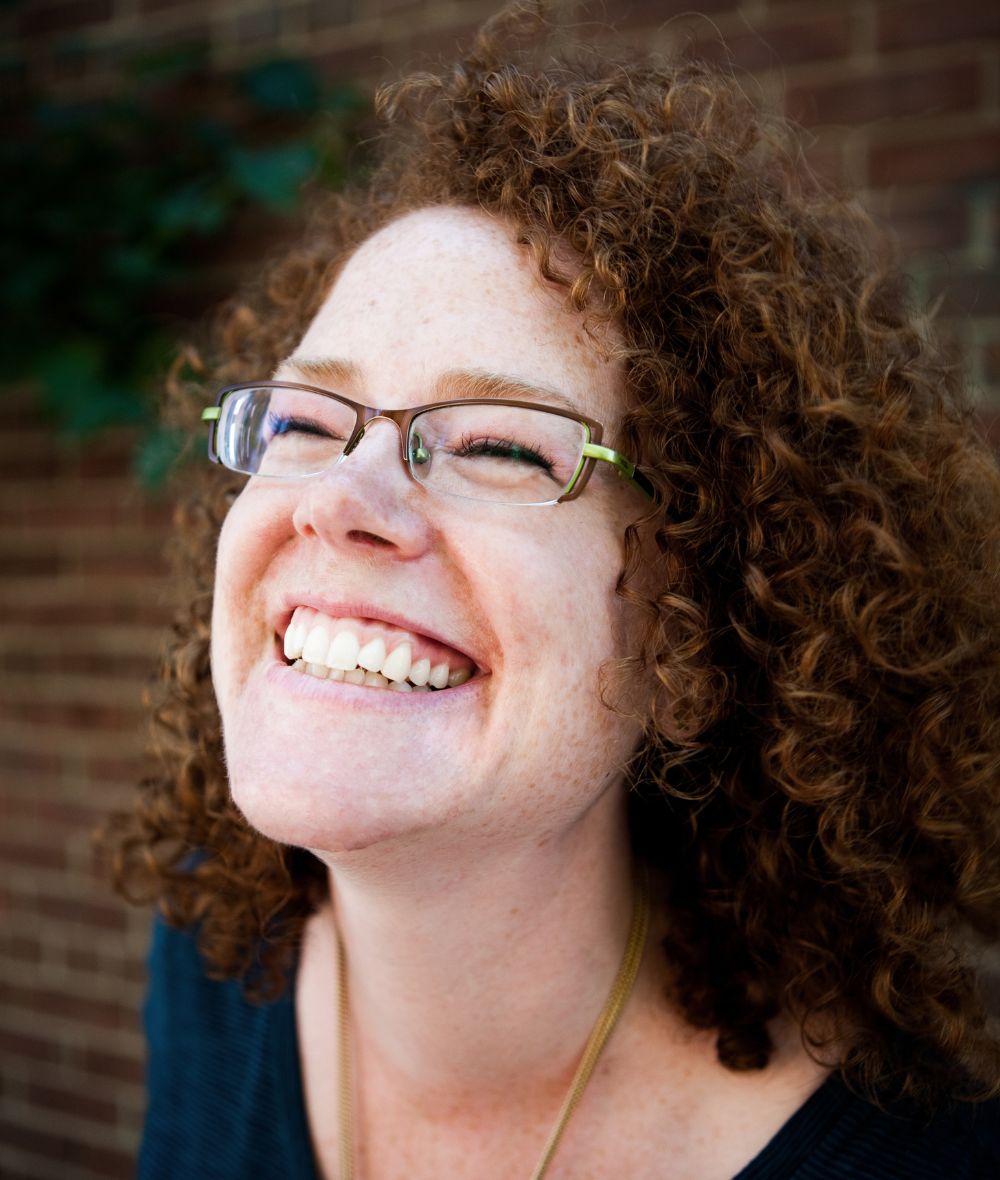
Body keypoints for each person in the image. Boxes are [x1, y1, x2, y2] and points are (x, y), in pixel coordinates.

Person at [106, 5, 1000, 1177]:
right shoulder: (215, 952)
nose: (338, 497)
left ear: (692, 642)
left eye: (501, 446)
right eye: (307, 421)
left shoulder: (916, 1160)